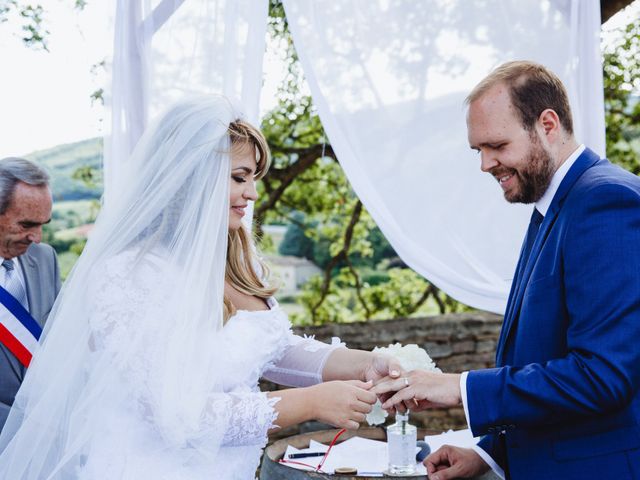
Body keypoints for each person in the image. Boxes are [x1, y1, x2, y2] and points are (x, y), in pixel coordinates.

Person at [0, 97, 400, 479]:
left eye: (254, 178)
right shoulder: (128, 275)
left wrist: (364, 363)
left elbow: (270, 350)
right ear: (192, 176)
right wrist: (309, 403)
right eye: (239, 177)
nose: (252, 193)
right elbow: (178, 416)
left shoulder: (236, 260)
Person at [373, 61, 640, 479]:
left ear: (547, 125)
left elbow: (601, 376)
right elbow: (544, 357)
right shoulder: (552, 207)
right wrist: (491, 454)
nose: (485, 164)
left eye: (497, 145)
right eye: (477, 150)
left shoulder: (604, 202)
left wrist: (460, 388)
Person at [0, 157, 61, 432]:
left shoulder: (46, 258)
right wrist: (26, 429)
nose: (37, 237)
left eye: (43, 224)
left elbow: (60, 341)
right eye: (26, 225)